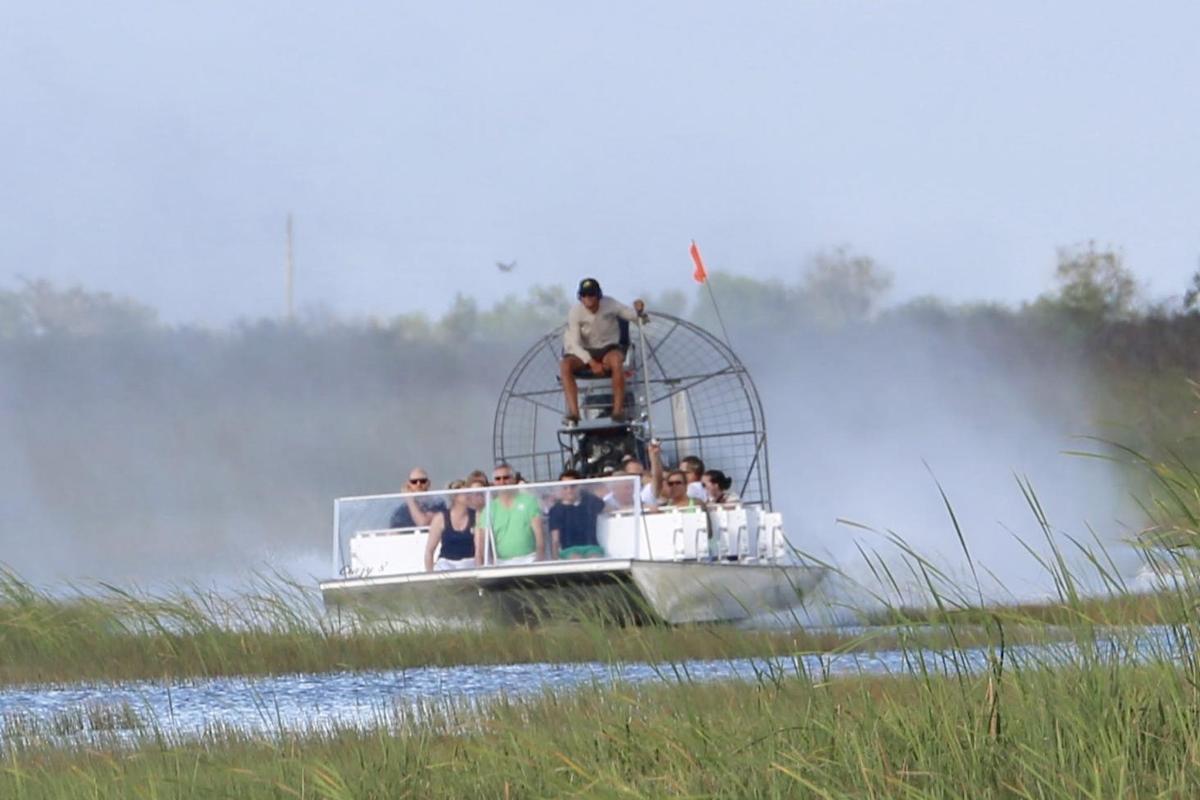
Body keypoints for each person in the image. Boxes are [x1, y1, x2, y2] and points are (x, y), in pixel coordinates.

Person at [559, 278, 646, 426]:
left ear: (599, 295)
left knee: (616, 361)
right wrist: (591, 362)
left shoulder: (610, 304)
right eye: (585, 295)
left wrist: (639, 311)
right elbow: (574, 343)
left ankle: (617, 412)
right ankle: (574, 414)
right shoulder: (575, 312)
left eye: (592, 295)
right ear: (580, 297)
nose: (589, 299)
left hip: (608, 348)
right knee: (565, 365)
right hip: (585, 351)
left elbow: (637, 318)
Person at [475, 462, 544, 564]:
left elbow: (540, 536)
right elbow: (483, 544)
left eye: (506, 477)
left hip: (529, 560)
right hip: (501, 563)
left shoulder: (529, 501)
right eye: (498, 479)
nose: (502, 482)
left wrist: (539, 561)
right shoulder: (489, 508)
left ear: (514, 479)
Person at [548, 469, 607, 559]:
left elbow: (608, 509)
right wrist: (555, 561)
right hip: (569, 550)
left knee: (595, 560)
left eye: (573, 486)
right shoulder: (556, 510)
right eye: (565, 487)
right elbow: (555, 540)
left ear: (579, 486)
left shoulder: (590, 501)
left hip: (592, 548)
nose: (569, 490)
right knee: (576, 559)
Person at [424, 480, 476, 571]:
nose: (468, 495)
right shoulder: (440, 518)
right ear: (455, 497)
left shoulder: (476, 516)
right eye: (464, 493)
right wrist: (430, 574)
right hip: (447, 563)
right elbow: (429, 550)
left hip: (470, 562)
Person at [603, 442, 662, 511]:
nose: (637, 479)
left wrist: (655, 457)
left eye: (640, 475)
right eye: (633, 475)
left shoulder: (643, 492)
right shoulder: (607, 501)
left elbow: (658, 480)